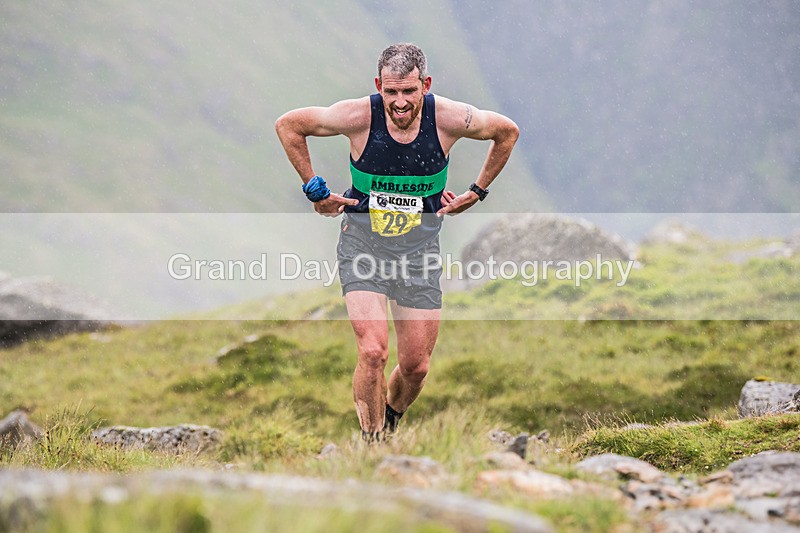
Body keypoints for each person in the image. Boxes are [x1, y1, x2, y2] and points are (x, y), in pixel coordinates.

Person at [275, 43, 519, 442]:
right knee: (372, 352)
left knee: (416, 367)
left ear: (426, 84)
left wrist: (477, 191)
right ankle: (371, 446)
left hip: (419, 252)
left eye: (409, 91)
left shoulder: (451, 118)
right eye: (391, 92)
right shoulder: (357, 116)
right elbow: (289, 125)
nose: (400, 102)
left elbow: (506, 132)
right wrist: (315, 190)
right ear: (378, 86)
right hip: (362, 245)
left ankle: (388, 420)